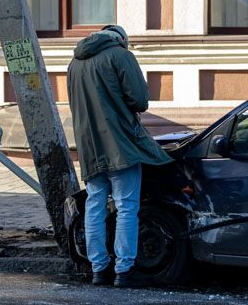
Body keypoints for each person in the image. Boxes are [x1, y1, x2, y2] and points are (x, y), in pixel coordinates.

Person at [67, 25, 171, 288]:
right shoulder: (120, 56)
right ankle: (124, 270)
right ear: (122, 40)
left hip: (89, 144)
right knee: (126, 206)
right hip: (120, 143)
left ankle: (99, 269)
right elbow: (140, 100)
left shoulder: (74, 63)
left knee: (94, 205)